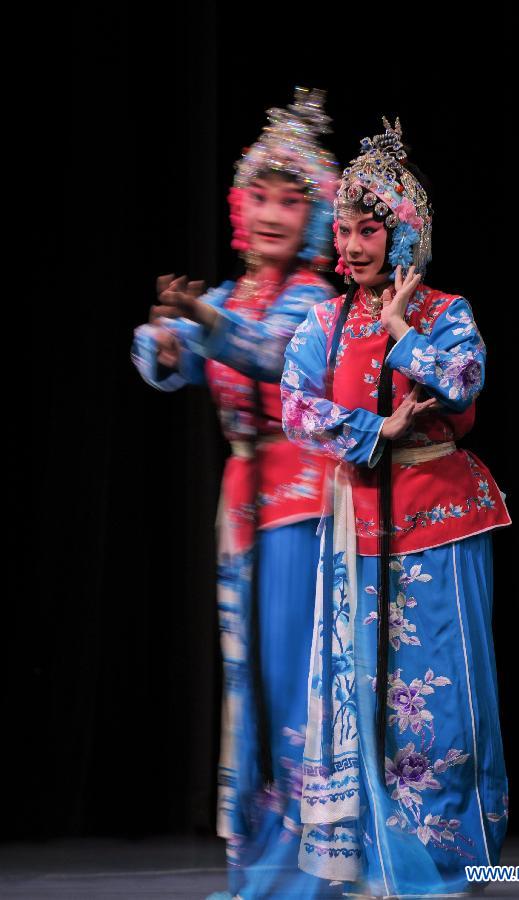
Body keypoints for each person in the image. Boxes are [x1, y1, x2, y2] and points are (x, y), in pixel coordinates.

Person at [280, 117, 512, 897]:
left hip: (441, 517)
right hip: (357, 527)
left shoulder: (446, 311)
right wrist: (372, 426)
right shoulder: (321, 322)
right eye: (342, 231)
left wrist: (398, 332)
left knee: (441, 698)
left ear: (402, 233)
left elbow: (464, 379)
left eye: (367, 230)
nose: (349, 246)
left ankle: (451, 860)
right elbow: (295, 406)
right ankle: (373, 861)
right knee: (362, 695)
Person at [131, 87, 345, 899]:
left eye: (291, 203)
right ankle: (256, 861)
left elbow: (271, 355)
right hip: (242, 504)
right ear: (237, 203)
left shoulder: (315, 304)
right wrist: (160, 333)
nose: (271, 214)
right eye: (259, 196)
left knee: (294, 675)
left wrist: (203, 328)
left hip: (301, 499)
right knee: (245, 683)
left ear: (313, 220)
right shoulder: (221, 297)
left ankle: (305, 872)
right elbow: (168, 358)